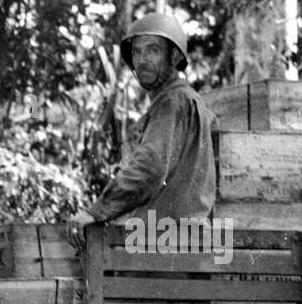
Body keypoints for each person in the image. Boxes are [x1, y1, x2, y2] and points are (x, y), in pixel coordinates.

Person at [69, 12, 216, 240]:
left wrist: (95, 211)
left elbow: (150, 169)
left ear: (175, 56)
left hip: (163, 240)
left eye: (153, 50)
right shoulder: (193, 102)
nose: (142, 60)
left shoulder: (173, 102)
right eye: (137, 52)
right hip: (184, 238)